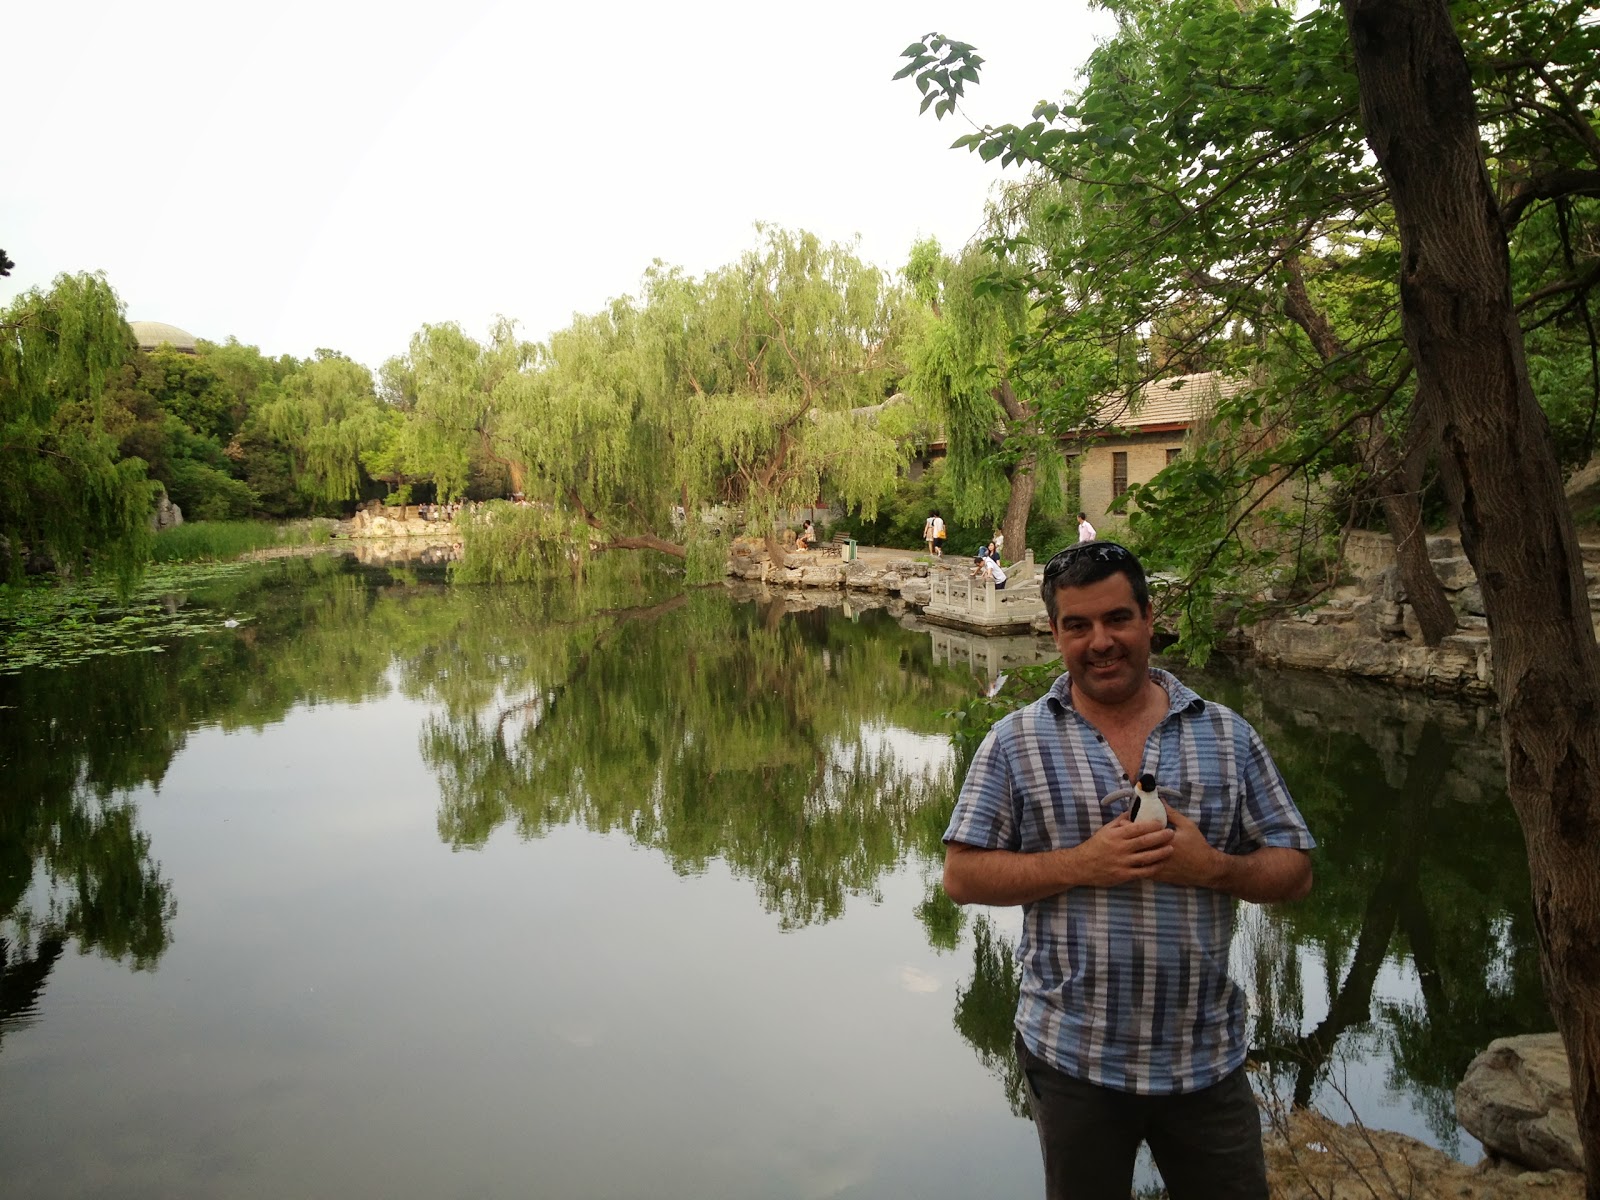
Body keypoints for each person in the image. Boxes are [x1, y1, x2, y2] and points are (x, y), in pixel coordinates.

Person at [942, 540, 1314, 1200]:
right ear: (1054, 632)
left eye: (1117, 619)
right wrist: (1082, 863)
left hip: (1205, 1061)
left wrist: (1215, 870)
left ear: (1148, 615)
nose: (1100, 641)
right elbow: (963, 876)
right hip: (1072, 1060)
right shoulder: (1013, 742)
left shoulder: (1227, 736)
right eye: (1078, 626)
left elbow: (1295, 871)